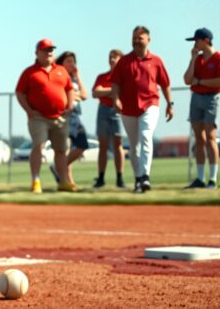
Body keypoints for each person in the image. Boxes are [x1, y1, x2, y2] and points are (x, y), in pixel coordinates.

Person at [110, 26, 173, 193]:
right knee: (134, 145)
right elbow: (115, 84)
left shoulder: (156, 61)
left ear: (148, 40)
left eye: (140, 38)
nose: (136, 41)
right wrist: (116, 99)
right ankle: (138, 179)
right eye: (134, 38)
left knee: (146, 136)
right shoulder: (124, 61)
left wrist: (170, 104)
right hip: (128, 109)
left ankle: (145, 176)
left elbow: (165, 84)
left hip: (150, 104)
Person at [16, 38, 77, 193]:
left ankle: (63, 181)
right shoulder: (30, 72)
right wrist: (29, 110)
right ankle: (36, 181)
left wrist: (69, 105)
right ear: (37, 53)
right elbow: (20, 93)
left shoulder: (61, 70)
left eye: (51, 50)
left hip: (60, 117)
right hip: (38, 117)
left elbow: (69, 88)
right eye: (45, 50)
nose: (49, 53)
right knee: (39, 146)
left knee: (61, 150)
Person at [183, 27, 218, 190]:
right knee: (199, 139)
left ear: (206, 40)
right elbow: (187, 79)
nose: (194, 43)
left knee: (210, 137)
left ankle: (212, 179)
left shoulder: (218, 57)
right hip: (196, 99)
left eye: (196, 40)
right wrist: (192, 59)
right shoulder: (197, 59)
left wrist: (200, 82)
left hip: (211, 99)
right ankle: (200, 178)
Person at [92, 49, 126, 188]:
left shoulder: (125, 77)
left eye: (115, 57)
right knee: (103, 146)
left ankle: (119, 178)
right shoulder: (102, 77)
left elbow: (125, 91)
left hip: (118, 111)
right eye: (110, 57)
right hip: (103, 111)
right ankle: (101, 178)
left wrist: (107, 92)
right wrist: (113, 91)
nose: (112, 60)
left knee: (118, 145)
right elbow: (95, 92)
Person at [55, 51, 88, 189]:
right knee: (65, 149)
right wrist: (74, 96)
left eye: (73, 61)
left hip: (75, 117)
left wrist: (77, 76)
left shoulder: (74, 79)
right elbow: (63, 95)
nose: (71, 64)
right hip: (64, 116)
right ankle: (68, 180)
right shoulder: (59, 77)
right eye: (68, 61)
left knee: (82, 145)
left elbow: (84, 95)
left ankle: (58, 170)